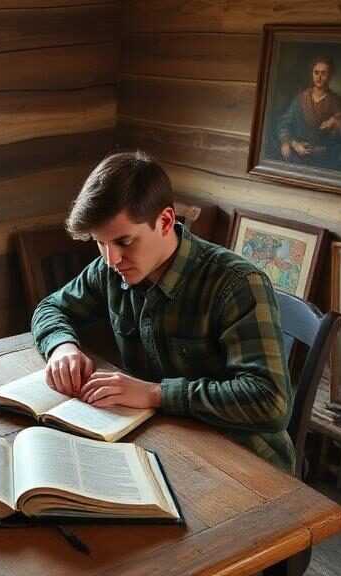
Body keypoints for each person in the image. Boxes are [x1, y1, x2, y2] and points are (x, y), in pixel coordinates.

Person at [32, 151, 295, 473]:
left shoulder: (238, 284)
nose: (112, 259)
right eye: (100, 243)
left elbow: (270, 402)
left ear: (166, 221)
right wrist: (62, 347)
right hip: (161, 439)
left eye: (124, 241)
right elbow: (51, 307)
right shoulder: (109, 268)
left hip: (244, 460)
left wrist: (156, 394)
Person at [275, 56, 341, 169]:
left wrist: (335, 121)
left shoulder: (336, 102)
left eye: (323, 73)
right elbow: (285, 122)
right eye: (316, 72)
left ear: (330, 76)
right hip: (297, 152)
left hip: (324, 158)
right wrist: (289, 142)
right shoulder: (300, 99)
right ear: (312, 74)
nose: (319, 77)